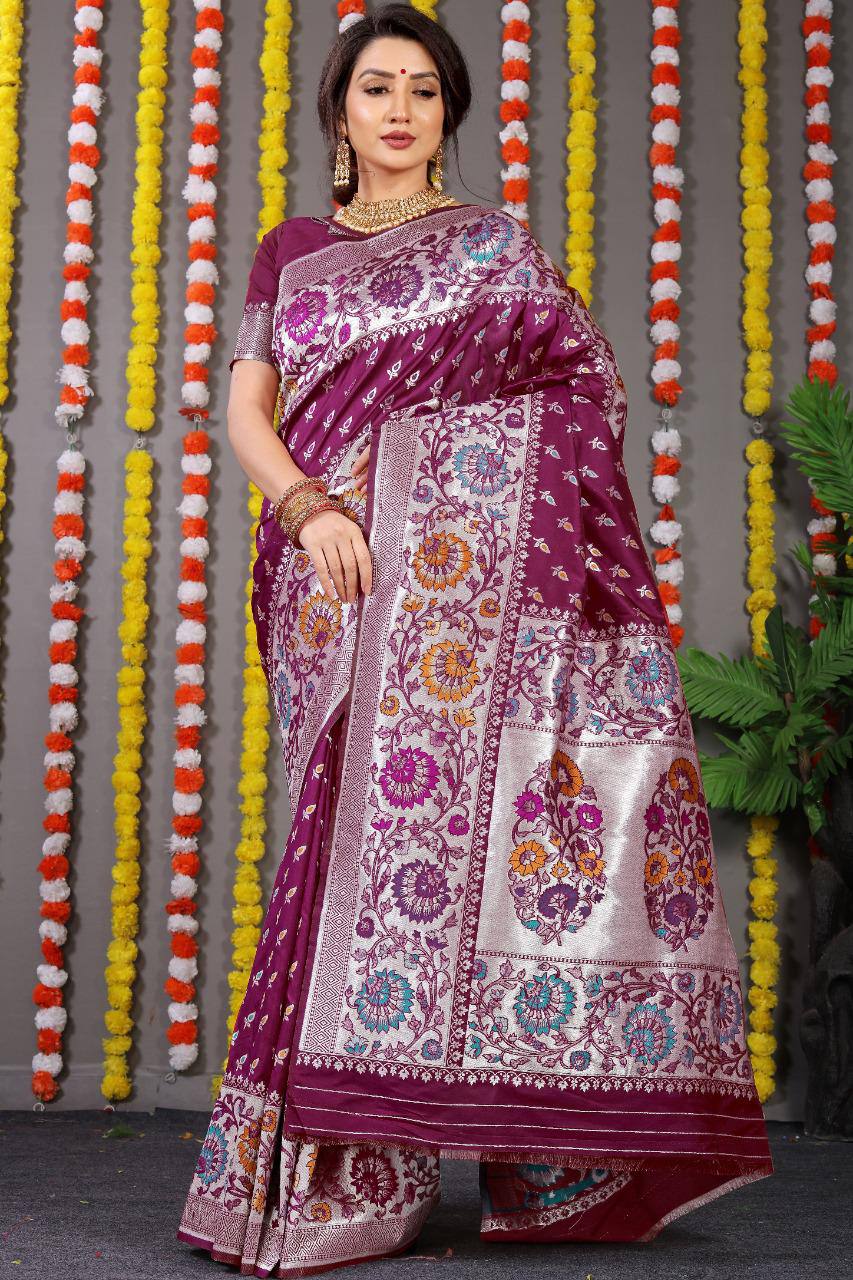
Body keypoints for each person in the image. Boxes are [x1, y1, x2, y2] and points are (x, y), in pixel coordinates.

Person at [177, 4, 773, 1274]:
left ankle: (534, 1138)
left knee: (485, 835)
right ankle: (335, 1167)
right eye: (376, 88)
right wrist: (313, 501)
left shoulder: (495, 246)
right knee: (346, 843)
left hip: (469, 573)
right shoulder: (290, 253)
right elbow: (247, 405)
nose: (398, 109)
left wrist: (427, 486)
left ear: (446, 113)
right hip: (331, 568)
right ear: (339, 109)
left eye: (424, 91)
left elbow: (581, 391)